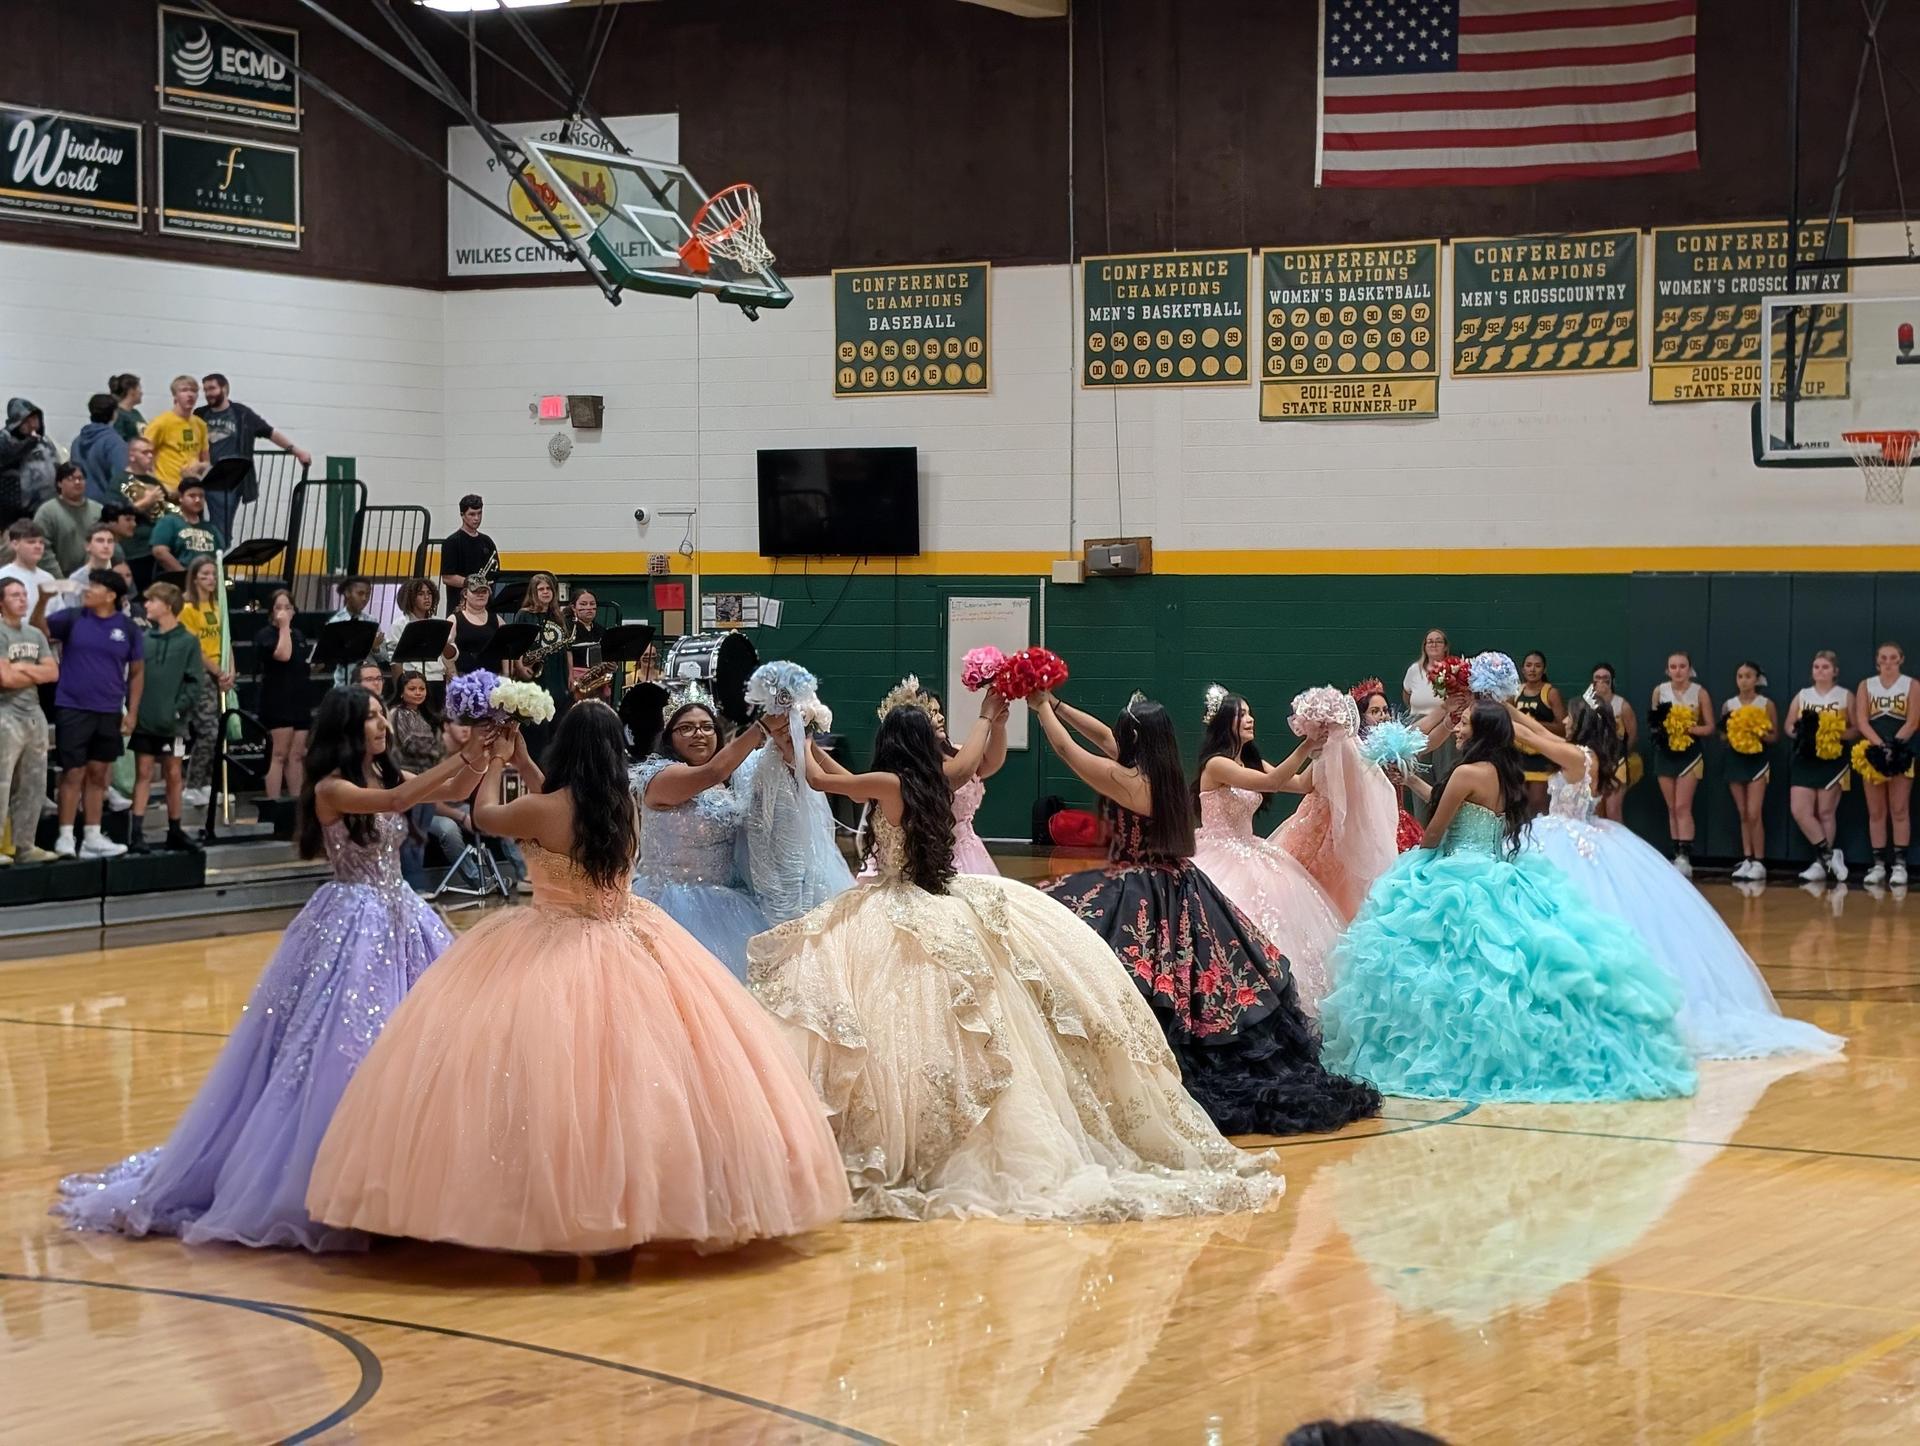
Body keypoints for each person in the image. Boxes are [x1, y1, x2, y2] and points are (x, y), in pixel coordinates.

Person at [307, 699, 852, 1254]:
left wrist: (499, 764)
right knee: (640, 1076)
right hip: (627, 934)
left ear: (563, 747)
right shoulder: (623, 805)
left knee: (545, 1075)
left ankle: (549, 1202)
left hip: (557, 941)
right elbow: (562, 806)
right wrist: (522, 762)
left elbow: (490, 815)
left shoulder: (545, 811)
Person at [749, 698, 1286, 1222]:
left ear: (890, 745)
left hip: (896, 900)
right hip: (942, 895)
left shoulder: (886, 784)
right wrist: (803, 737)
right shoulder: (936, 780)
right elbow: (849, 774)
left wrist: (797, 738)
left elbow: (826, 782)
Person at [54, 687, 471, 1251]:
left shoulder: (382, 775)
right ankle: (337, 1182)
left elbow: (449, 789)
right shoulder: (332, 788)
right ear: (346, 729)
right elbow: (400, 803)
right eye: (370, 716)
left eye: (380, 714)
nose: (381, 723)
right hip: (353, 920)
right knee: (342, 1049)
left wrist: (493, 753)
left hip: (401, 916)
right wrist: (466, 756)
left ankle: (406, 1183)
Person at [1035, 689, 1381, 1137]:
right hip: (1184, 881)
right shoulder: (1159, 773)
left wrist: (1039, 708)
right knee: (1198, 977)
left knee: (1145, 972)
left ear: (1135, 737)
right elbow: (1101, 735)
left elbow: (1066, 749)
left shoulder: (1130, 781)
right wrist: (1055, 701)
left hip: (1144, 885)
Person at [1318, 699, 1697, 1104]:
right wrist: (1412, 782)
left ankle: (1446, 1056)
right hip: (1493, 868)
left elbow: (1434, 831)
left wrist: (1421, 850)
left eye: (1463, 724)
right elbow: (1461, 807)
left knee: (1445, 975)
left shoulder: (1465, 772)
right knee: (1496, 973)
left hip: (1455, 876)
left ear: (1481, 732)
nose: (1458, 729)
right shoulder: (1500, 773)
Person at [1513, 696, 1842, 1060]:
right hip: (1580, 837)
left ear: (1582, 722)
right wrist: (1505, 707)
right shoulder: (1586, 753)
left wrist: (1493, 718)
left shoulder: (1577, 757)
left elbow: (1537, 739)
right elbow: (1540, 731)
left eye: (1571, 718)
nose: (1566, 722)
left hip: (1569, 841)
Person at [1189, 688, 1345, 1016]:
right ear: (1224, 722)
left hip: (1252, 848)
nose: (1250, 719)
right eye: (1242, 714)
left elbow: (1301, 784)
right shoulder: (1216, 765)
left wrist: (1326, 748)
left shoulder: (1250, 761)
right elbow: (1273, 782)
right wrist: (1306, 743)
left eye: (1249, 712)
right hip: (1219, 852)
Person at [629, 685, 773, 981]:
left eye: (707, 727)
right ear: (669, 737)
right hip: (669, 904)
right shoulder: (662, 776)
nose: (699, 734)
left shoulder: (730, 780)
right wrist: (760, 728)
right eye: (687, 728)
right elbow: (711, 773)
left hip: (727, 902)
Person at [858, 676, 1009, 879]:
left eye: (939, 711)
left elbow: (989, 764)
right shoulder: (914, 771)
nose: (940, 718)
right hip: (935, 855)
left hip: (969, 851)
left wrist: (998, 726)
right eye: (932, 713)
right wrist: (985, 717)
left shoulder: (954, 752)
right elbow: (961, 771)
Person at [1271, 688, 1402, 921]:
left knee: (1317, 889)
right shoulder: (1328, 752)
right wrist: (1269, 778)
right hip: (1312, 818)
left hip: (1325, 827)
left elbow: (1343, 798)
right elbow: (1303, 783)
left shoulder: (1343, 752)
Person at [46, 570, 142, 859]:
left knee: (99, 774)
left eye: (94, 586)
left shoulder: (128, 628)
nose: (87, 590)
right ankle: (65, 836)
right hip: (73, 707)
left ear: (111, 595)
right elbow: (41, 629)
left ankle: (92, 835)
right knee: (73, 771)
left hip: (109, 709)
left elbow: (137, 673)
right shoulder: (73, 617)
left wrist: (132, 712)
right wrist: (42, 600)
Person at [125, 582, 204, 855]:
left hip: (176, 725)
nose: (146, 606)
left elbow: (195, 683)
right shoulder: (144, 639)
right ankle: (136, 832)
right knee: (143, 773)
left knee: (173, 773)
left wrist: (177, 709)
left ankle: (175, 829)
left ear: (167, 606)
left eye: (152, 601)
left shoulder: (188, 642)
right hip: (146, 721)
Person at [196, 372, 312, 541]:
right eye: (205, 390)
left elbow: (269, 432)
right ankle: (203, 563)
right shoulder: (199, 414)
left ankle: (213, 563)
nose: (208, 393)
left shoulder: (241, 414)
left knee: (221, 532)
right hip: (200, 476)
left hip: (228, 481)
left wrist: (296, 451)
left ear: (225, 388)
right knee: (194, 527)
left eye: (212, 388)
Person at [0, 576, 58, 865]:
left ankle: (26, 845)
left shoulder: (35, 634)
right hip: (4, 713)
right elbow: (5, 678)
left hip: (34, 713)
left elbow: (53, 673)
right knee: (2, 782)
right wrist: (30, 670)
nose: (22, 599)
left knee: (34, 783)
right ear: (1, 602)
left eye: (24, 594)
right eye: (14, 595)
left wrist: (20, 668)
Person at [1787, 650, 1852, 885]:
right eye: (1816, 667)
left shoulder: (1845, 696)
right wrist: (1806, 734)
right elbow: (1788, 727)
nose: (1820, 671)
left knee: (1826, 812)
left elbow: (1855, 729)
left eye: (1825, 667)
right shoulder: (1803, 696)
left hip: (1833, 759)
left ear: (1835, 671)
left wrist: (1833, 733)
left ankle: (1819, 863)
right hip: (1806, 758)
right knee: (1800, 811)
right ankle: (1829, 855)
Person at [1855, 643, 1917, 887]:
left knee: (1899, 809)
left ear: (1901, 660)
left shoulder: (1912, 685)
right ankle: (1879, 864)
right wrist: (1881, 747)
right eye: (1883, 658)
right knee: (1876, 811)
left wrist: (1894, 746)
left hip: (1902, 751)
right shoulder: (1865, 685)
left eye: (1893, 658)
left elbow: (1912, 721)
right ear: (1877, 661)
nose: (1888, 662)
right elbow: (1862, 721)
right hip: (1873, 751)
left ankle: (1900, 865)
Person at [178, 558, 231, 808]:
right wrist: (218, 671)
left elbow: (226, 640)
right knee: (207, 732)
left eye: (213, 575)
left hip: (220, 674)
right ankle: (192, 785)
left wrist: (231, 670)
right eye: (205, 575)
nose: (211, 579)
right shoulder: (187, 608)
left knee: (219, 732)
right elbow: (194, 648)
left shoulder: (218, 606)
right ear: (195, 578)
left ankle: (208, 784)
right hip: (200, 675)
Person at [1720, 661, 1778, 881]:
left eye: (1748, 676)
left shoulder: (1766, 704)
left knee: (1755, 812)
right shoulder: (1729, 705)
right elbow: (1722, 735)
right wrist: (1735, 733)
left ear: (1757, 679)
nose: (1743, 680)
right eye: (1739, 676)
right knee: (1743, 813)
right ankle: (1747, 857)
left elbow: (1774, 736)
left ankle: (1760, 861)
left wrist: (1756, 732)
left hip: (1758, 761)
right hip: (1735, 760)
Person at [253, 589, 310, 800]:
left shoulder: (299, 635)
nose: (284, 612)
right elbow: (283, 655)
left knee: (296, 756)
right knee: (278, 754)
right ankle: (273, 802)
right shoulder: (266, 635)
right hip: (276, 701)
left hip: (298, 700)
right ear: (271, 612)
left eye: (288, 607)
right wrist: (284, 626)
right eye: (279, 607)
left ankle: (297, 803)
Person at [509, 570, 568, 756]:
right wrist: (520, 667)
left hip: (556, 675)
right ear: (533, 592)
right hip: (533, 675)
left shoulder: (558, 616)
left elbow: (566, 649)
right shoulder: (524, 614)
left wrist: (570, 675)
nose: (545, 592)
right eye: (541, 589)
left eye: (549, 588)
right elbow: (515, 645)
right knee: (536, 726)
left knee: (557, 725)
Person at [1515, 651, 1566, 818]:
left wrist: (1534, 724)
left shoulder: (1550, 693)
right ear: (1523, 669)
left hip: (1542, 756)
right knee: (1520, 805)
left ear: (1544, 669)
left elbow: (1563, 727)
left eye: (1537, 666)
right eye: (1529, 665)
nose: (1532, 670)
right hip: (1519, 757)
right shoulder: (1515, 692)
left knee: (1539, 804)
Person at [1588, 662, 1639, 822]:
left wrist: (1620, 754)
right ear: (1592, 681)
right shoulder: (1586, 703)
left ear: (1612, 681)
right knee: (1596, 811)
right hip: (1594, 761)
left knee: (1613, 810)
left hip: (1616, 762)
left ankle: (1620, 845)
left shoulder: (1622, 704)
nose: (1601, 681)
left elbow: (1632, 735)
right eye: (1597, 678)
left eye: (1606, 678)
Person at [33, 462, 103, 577]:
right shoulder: (47, 512)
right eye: (71, 479)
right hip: (57, 577)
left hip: (93, 576)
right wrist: (60, 581)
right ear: (59, 483)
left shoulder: (98, 510)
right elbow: (42, 549)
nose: (77, 482)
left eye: (80, 478)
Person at [141, 376, 210, 490]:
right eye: (184, 390)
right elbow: (143, 457)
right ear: (175, 396)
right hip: (167, 488)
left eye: (193, 390)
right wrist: (155, 485)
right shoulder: (161, 423)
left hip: (191, 489)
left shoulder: (200, 425)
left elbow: (206, 462)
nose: (190, 394)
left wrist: (199, 466)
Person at [388, 577, 450, 700]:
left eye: (429, 593)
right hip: (413, 681)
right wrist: (399, 691)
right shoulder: (399, 624)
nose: (427, 597)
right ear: (410, 597)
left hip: (437, 680)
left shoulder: (439, 622)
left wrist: (446, 644)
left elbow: (449, 655)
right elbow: (395, 661)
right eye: (421, 594)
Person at [149, 478, 225, 578]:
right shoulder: (169, 521)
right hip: (178, 583)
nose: (197, 500)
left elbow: (218, 558)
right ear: (181, 498)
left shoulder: (211, 528)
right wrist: (185, 576)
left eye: (201, 496)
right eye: (192, 496)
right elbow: (159, 551)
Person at [1, 397, 59, 525]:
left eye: (35, 419)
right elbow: (9, 455)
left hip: (43, 506)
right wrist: (29, 442)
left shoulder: (44, 442)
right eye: (27, 421)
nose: (33, 424)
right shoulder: (5, 440)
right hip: (12, 511)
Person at [324, 575, 387, 686]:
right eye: (360, 593)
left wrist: (376, 648)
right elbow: (334, 656)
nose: (364, 598)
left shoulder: (372, 621)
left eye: (367, 595)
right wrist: (368, 645)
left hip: (371, 678)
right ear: (348, 593)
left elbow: (383, 657)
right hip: (346, 680)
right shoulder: (336, 622)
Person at [116, 438, 161, 591]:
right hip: (134, 550)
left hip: (156, 548)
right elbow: (114, 514)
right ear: (132, 456)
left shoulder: (154, 481)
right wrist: (145, 502)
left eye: (151, 452)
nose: (150, 456)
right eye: (145, 452)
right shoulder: (120, 480)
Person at [437, 494, 497, 609]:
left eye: (479, 513)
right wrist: (475, 583)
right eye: (472, 514)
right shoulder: (452, 542)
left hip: (485, 606)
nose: (476, 518)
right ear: (462, 515)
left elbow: (495, 574)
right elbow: (447, 577)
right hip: (460, 606)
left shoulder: (487, 541)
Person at [71, 394, 128, 507]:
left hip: (80, 504)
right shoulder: (114, 442)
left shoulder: (77, 441)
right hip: (106, 507)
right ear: (114, 414)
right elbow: (122, 477)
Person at [0, 520, 62, 616]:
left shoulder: (48, 578)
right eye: (31, 542)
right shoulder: (3, 576)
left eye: (41, 542)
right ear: (15, 544)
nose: (38, 546)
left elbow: (59, 613)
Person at [450, 577, 498, 675]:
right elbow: (446, 652)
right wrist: (453, 676)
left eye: (484, 591)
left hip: (492, 678)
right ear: (465, 594)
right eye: (475, 591)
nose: (480, 595)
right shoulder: (454, 619)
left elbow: (504, 649)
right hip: (463, 679)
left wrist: (505, 674)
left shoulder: (497, 619)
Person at [109, 373, 146, 443]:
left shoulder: (135, 413)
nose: (141, 392)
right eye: (139, 388)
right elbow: (118, 442)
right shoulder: (118, 415)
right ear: (131, 391)